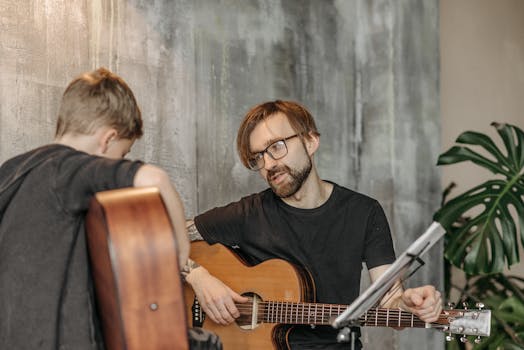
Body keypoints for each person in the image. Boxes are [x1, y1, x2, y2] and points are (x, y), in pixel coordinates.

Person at [182, 100, 443, 349]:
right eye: (258, 157)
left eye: (276, 146)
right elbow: (161, 237)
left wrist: (408, 305)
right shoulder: (249, 213)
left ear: (310, 141)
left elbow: (389, 298)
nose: (269, 164)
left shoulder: (363, 212)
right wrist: (200, 277)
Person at [0, 68, 221, 350]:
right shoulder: (67, 169)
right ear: (107, 140)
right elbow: (155, 179)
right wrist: (179, 255)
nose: (119, 162)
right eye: (123, 154)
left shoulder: (11, 171)